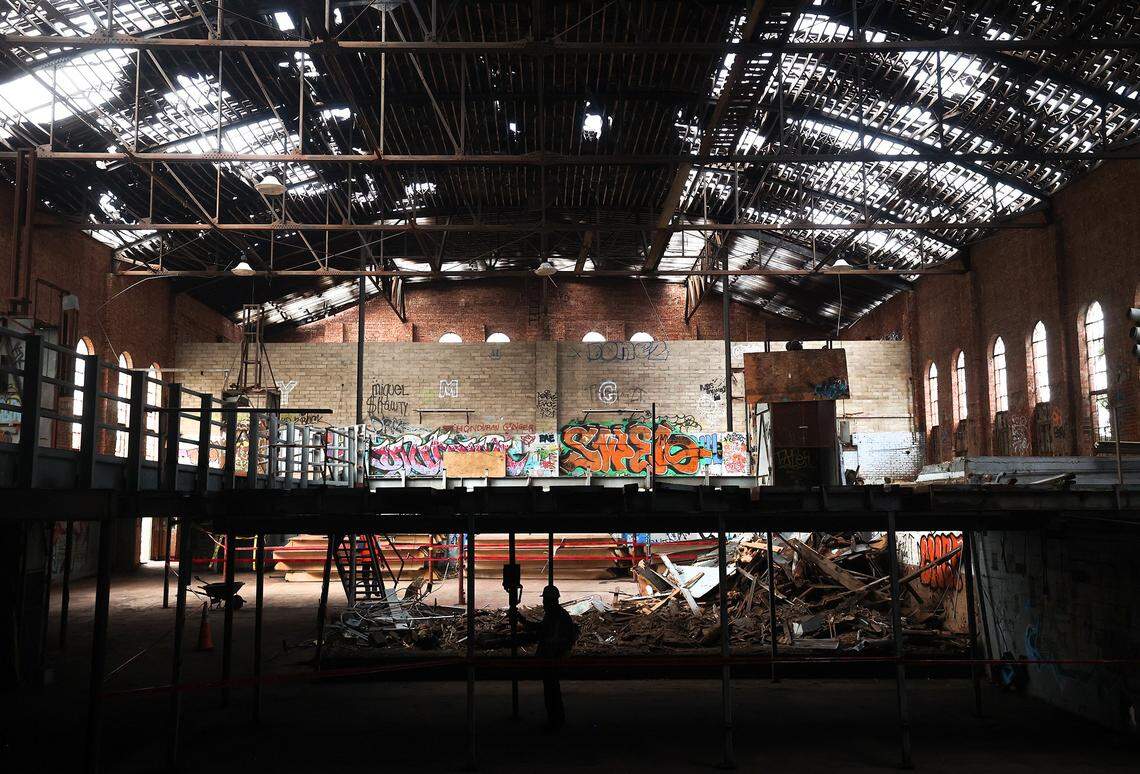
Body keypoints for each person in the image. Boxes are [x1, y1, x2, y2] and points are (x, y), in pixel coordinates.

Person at [520, 585, 579, 730]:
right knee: (551, 691)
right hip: (552, 657)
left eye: (545, 601)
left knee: (551, 691)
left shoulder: (557, 617)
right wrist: (524, 622)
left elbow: (543, 633)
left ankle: (556, 722)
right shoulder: (556, 614)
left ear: (550, 601)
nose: (544, 604)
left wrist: (525, 625)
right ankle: (555, 720)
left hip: (553, 658)